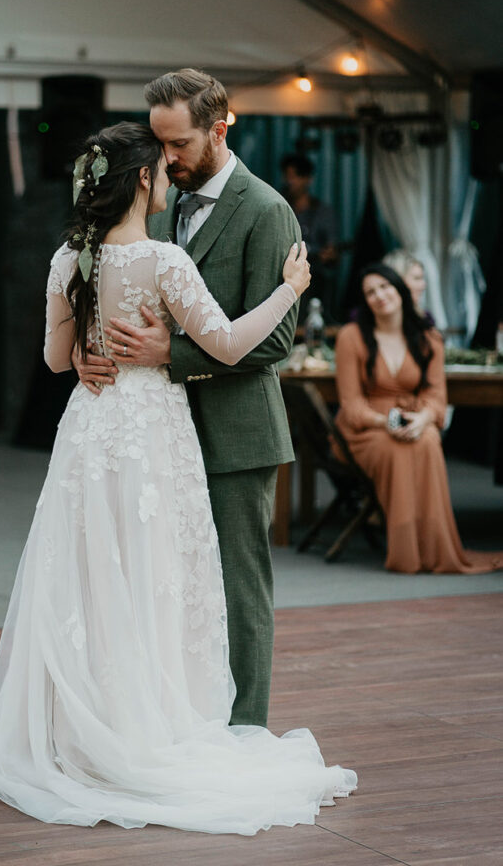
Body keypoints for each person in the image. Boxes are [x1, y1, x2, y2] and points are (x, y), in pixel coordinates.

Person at [0, 122, 357, 834]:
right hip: (152, 436)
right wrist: (289, 291)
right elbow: (227, 343)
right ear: (142, 181)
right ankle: (151, 724)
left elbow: (57, 361)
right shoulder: (164, 260)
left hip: (89, 434)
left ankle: (84, 729)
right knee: (156, 574)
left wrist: (90, 356)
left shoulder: (68, 258)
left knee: (91, 576)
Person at [75, 70, 302, 728]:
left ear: (219, 129)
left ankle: (246, 732)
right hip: (166, 431)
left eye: (177, 144)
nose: (164, 158)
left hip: (237, 435)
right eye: (158, 144)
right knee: (179, 585)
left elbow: (275, 342)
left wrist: (164, 355)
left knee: (237, 590)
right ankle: (190, 721)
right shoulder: (169, 204)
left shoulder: (266, 210)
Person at [334, 264, 502, 574]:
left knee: (427, 442)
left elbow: (436, 396)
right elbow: (351, 404)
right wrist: (387, 423)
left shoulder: (429, 338)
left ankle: (434, 548)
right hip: (366, 428)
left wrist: (423, 420)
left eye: (385, 287)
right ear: (365, 302)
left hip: (414, 420)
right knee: (395, 450)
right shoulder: (351, 337)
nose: (379, 296)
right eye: (370, 292)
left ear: (399, 289)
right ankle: (406, 554)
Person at [280, 153, 338, 310]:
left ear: (308, 179)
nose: (290, 181)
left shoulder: (323, 212)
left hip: (315, 279)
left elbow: (331, 250)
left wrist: (328, 254)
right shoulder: (280, 209)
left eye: (296, 176)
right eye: (287, 176)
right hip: (284, 277)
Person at [382, 249, 435, 326]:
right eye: (417, 278)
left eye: (422, 278)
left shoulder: (424, 318)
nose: (423, 285)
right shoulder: (374, 319)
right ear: (398, 280)